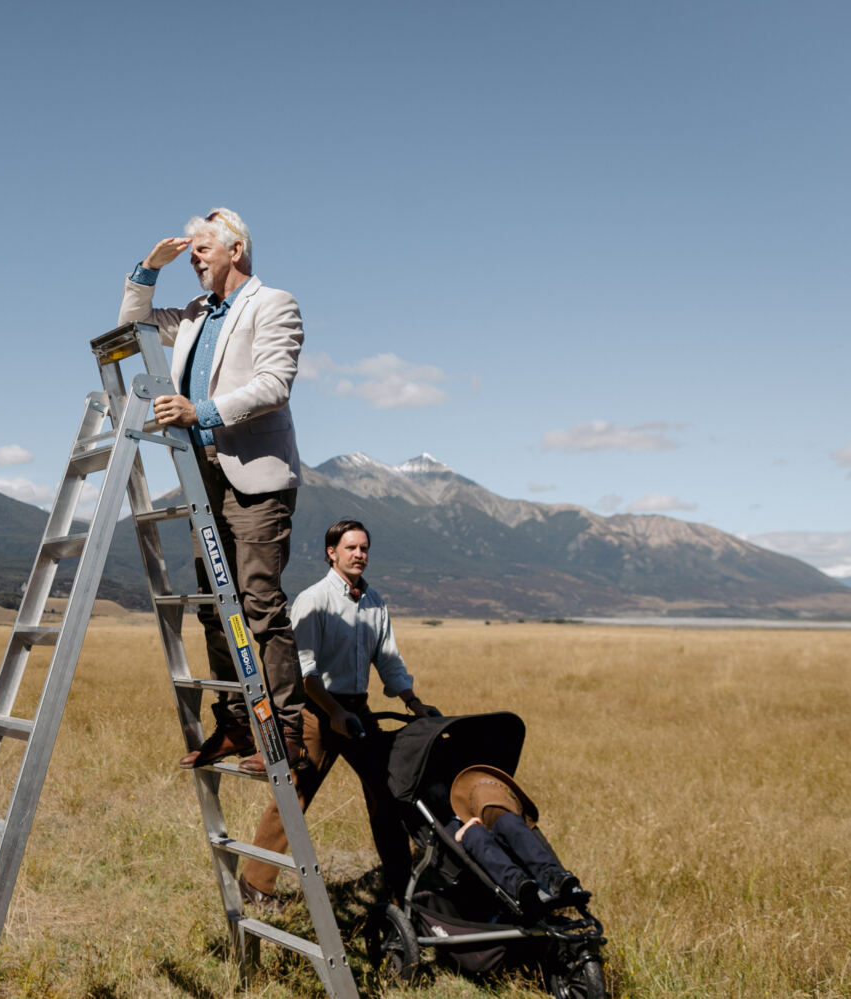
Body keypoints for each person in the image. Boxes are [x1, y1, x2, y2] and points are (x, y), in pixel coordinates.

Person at [119, 207, 306, 774]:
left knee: (258, 603)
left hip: (254, 475)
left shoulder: (275, 303)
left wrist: (197, 410)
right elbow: (132, 330)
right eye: (193, 248)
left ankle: (290, 735)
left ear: (236, 250)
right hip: (200, 472)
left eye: (204, 247)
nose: (194, 257)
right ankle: (235, 727)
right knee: (212, 604)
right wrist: (148, 268)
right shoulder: (196, 314)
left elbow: (274, 385)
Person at [239, 520, 439, 907]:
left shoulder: (375, 601)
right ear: (331, 552)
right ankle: (255, 887)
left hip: (357, 710)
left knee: (388, 793)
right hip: (316, 710)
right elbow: (303, 668)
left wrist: (414, 703)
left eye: (364, 548)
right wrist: (331, 711)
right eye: (351, 548)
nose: (359, 554)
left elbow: (389, 659)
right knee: (294, 793)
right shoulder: (313, 600)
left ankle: (401, 892)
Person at [446, 764, 588, 914]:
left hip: (508, 839)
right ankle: (520, 885)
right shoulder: (456, 824)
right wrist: (462, 832)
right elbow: (448, 839)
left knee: (509, 821)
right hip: (484, 856)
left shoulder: (506, 819)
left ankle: (554, 878)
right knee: (474, 833)